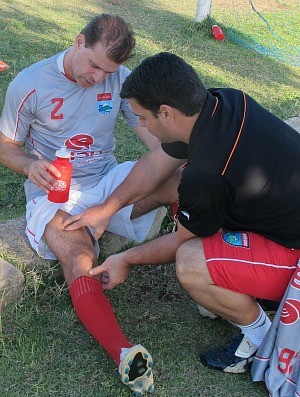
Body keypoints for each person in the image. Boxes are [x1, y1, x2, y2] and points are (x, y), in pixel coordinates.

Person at [63, 52, 300, 378]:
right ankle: (247, 291)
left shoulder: (206, 174)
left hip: (294, 256)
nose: (141, 127)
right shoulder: (225, 101)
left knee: (191, 262)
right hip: (283, 219)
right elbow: (156, 165)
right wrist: (107, 209)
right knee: (189, 202)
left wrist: (126, 259)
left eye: (143, 118)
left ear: (166, 112)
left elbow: (181, 244)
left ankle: (262, 341)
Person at [0, 18, 179, 396]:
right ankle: (124, 353)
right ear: (79, 41)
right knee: (79, 255)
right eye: (94, 66)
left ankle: (214, 262)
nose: (99, 78)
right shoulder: (30, 84)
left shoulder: (120, 79)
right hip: (56, 193)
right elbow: (6, 147)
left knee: (182, 181)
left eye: (108, 72)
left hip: (107, 180)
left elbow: (152, 141)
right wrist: (31, 165)